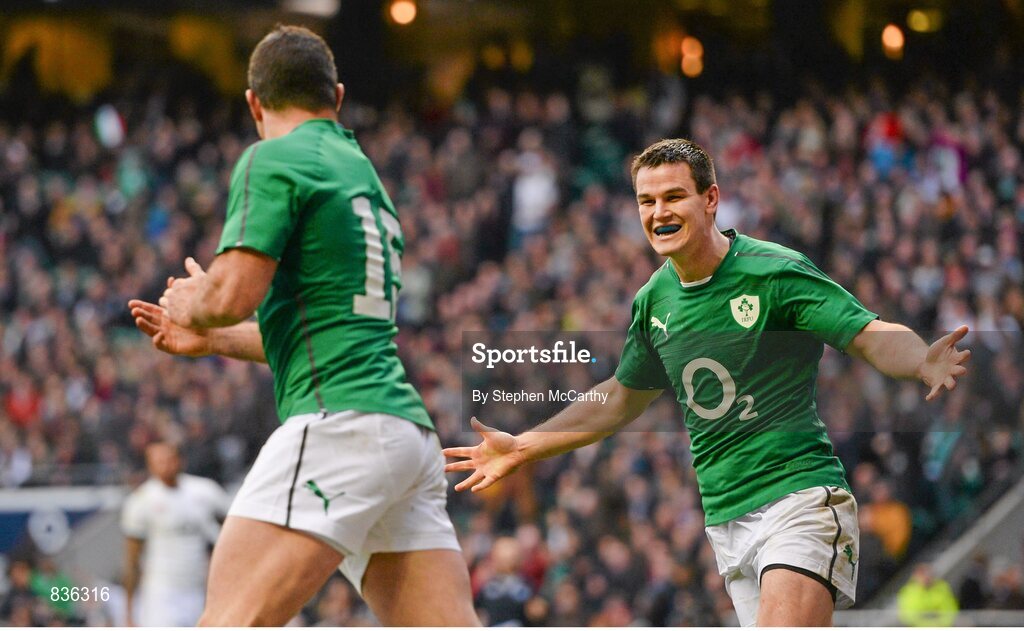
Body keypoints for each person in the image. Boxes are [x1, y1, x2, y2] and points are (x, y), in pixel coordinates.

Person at [444, 138, 971, 626]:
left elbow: (866, 333)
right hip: (726, 521)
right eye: (646, 202)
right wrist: (525, 446)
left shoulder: (773, 272)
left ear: (711, 198)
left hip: (799, 501)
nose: (659, 213)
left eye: (674, 197)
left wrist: (920, 358)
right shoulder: (653, 301)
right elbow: (620, 399)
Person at [127, 25, 478, 626]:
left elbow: (231, 294)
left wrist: (193, 303)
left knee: (228, 621)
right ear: (337, 98)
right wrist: (212, 339)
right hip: (403, 435)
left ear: (253, 104)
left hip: (339, 426)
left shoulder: (275, 157)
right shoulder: (364, 177)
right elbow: (316, 331)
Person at [121, 442, 230, 626]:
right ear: (150, 466)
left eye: (169, 459)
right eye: (159, 461)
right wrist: (129, 609)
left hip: (199, 589)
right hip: (161, 593)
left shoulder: (205, 491)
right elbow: (132, 559)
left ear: (180, 460)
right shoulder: (141, 501)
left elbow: (233, 528)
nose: (166, 465)